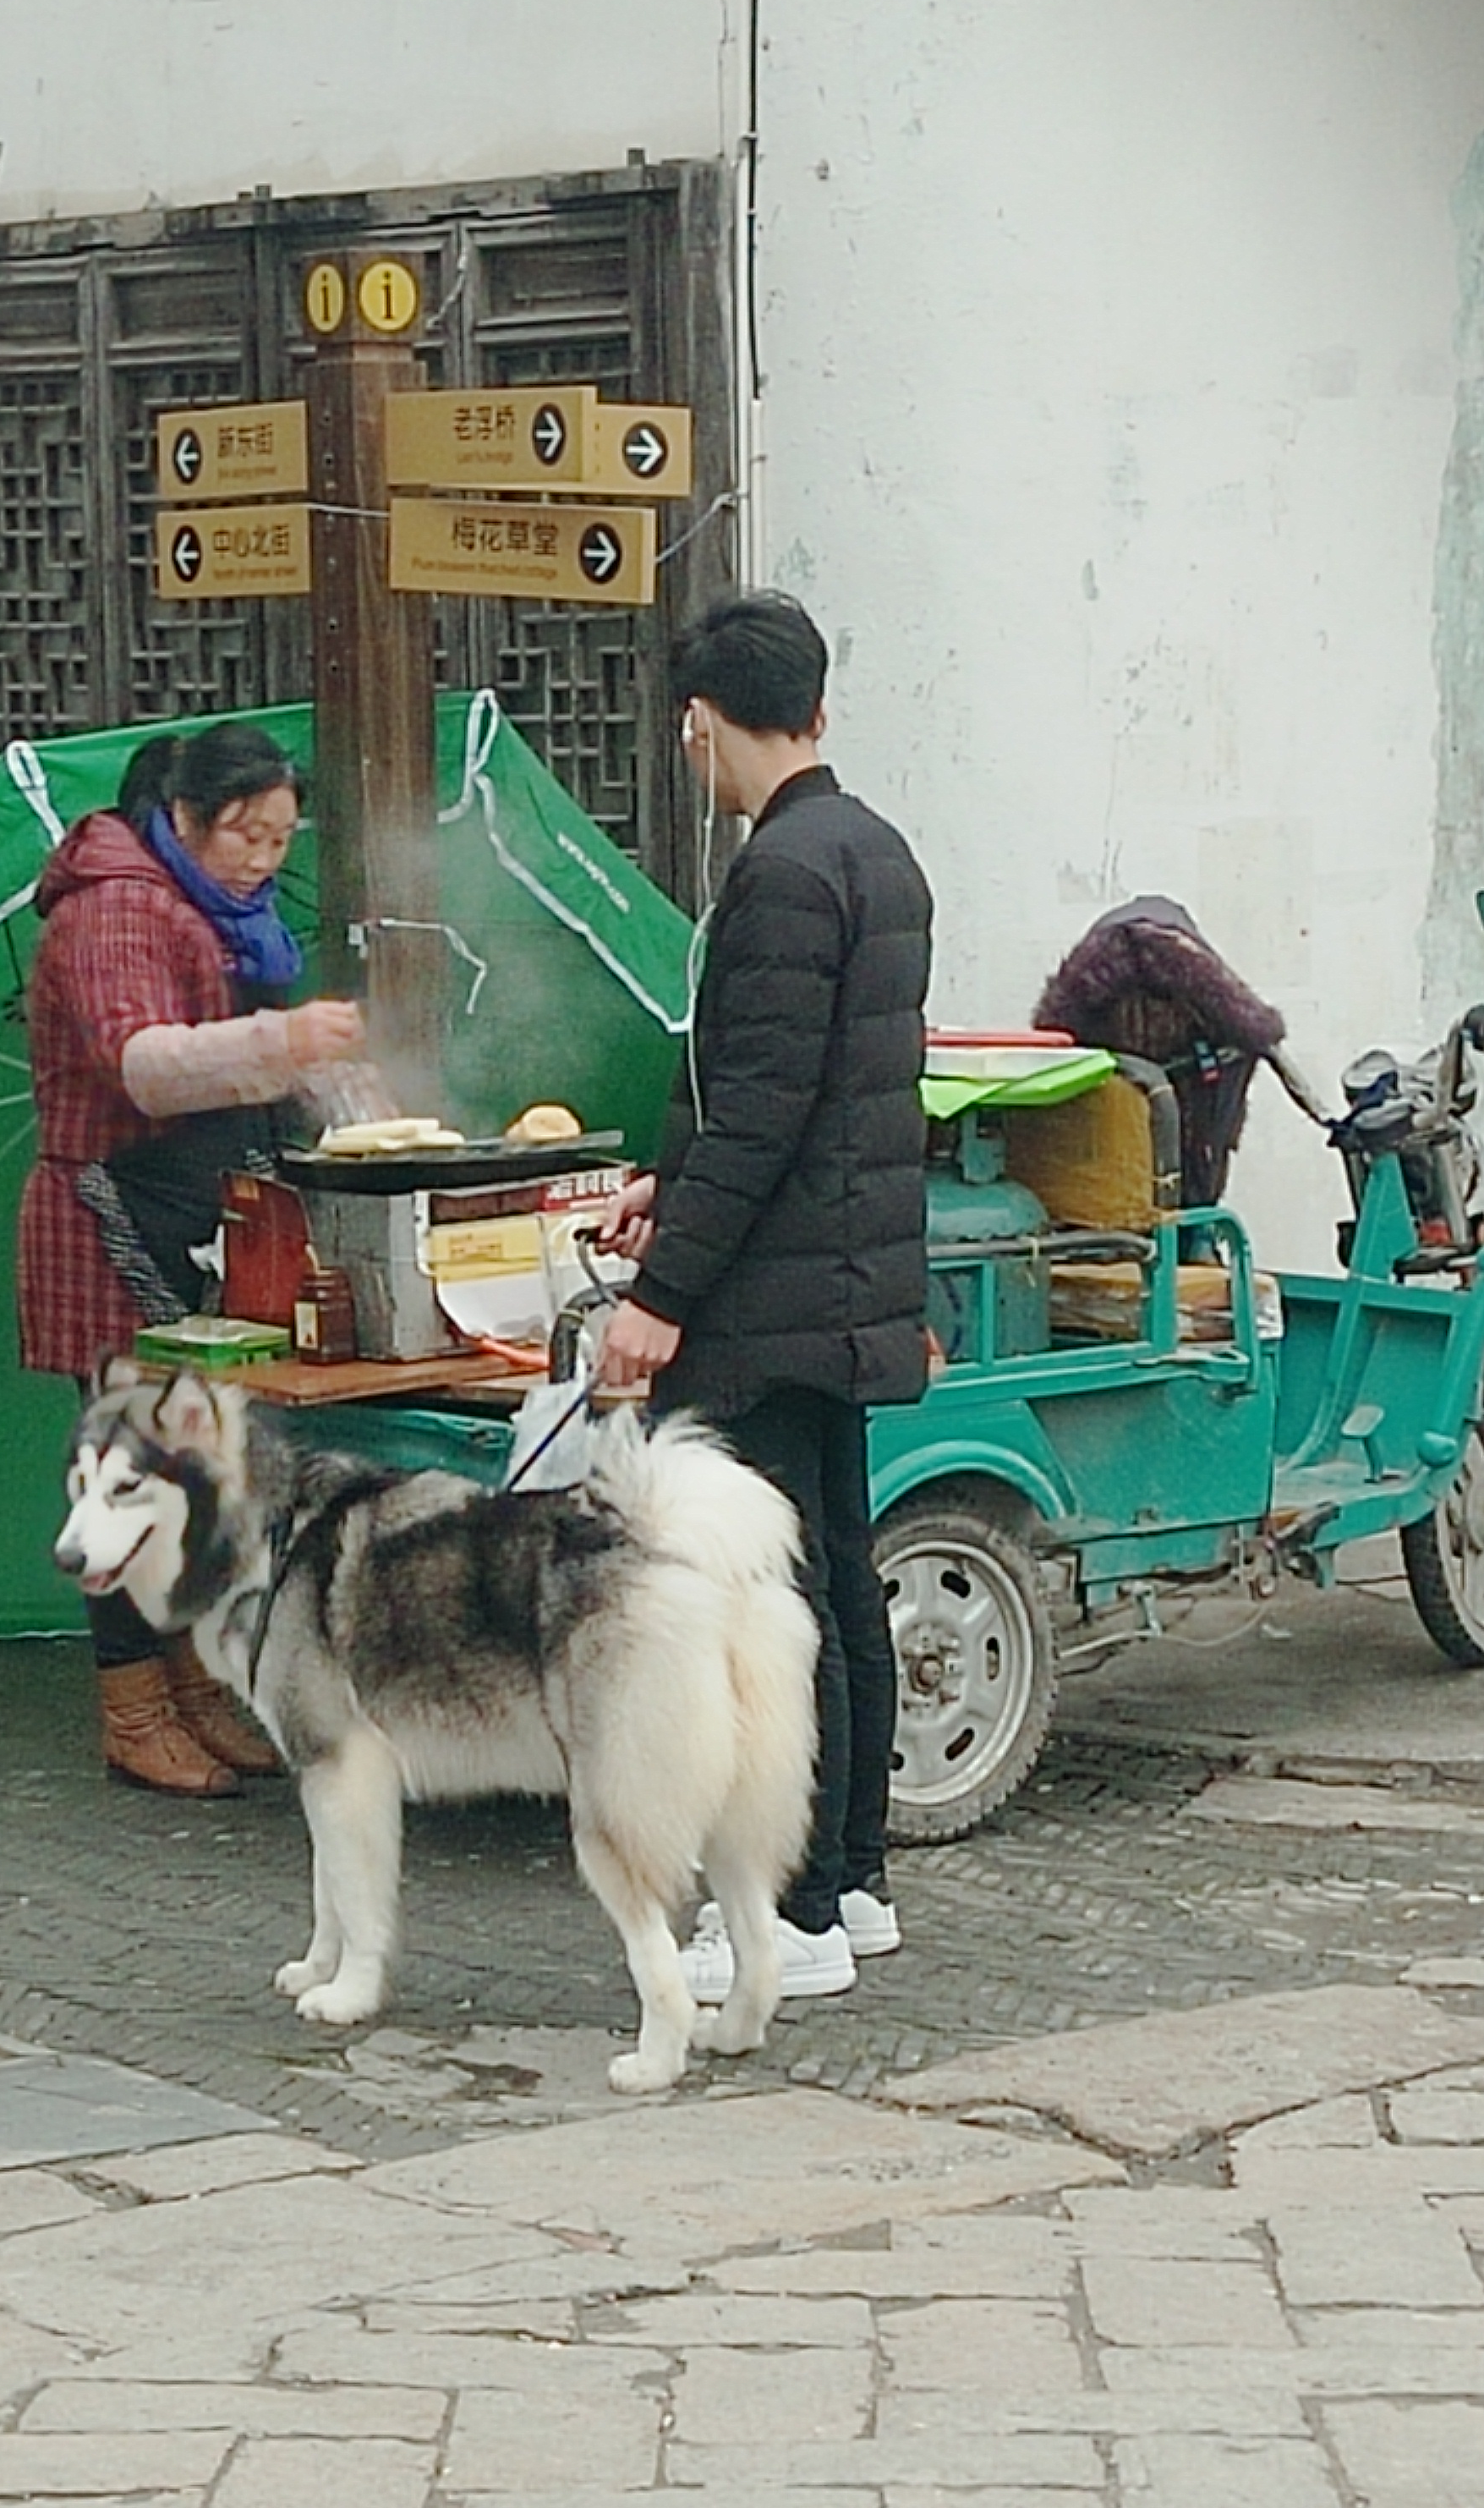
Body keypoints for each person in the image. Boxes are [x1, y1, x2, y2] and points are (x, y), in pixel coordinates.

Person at [592, 592, 934, 2001]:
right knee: (838, 1580)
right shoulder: (876, 851)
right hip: (842, 1280)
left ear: (700, 723)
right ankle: (851, 1882)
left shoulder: (782, 871)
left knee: (771, 1608)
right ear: (821, 704)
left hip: (773, 1303)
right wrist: (668, 1185)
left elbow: (767, 1105)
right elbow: (787, 1096)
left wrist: (660, 1293)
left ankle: (781, 1912)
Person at [19, 720, 367, 1797]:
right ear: (179, 819)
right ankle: (132, 1709)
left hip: (191, 1215)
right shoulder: (116, 909)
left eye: (278, 839)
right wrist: (285, 1046)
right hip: (112, 1218)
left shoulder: (225, 918)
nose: (265, 860)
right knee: (127, 1465)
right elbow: (148, 1069)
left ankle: (190, 1679)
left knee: (193, 1465)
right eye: (245, 835)